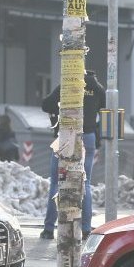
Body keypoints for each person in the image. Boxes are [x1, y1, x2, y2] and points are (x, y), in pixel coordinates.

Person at [39, 70, 105, 240]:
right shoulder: (97, 88)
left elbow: (46, 104)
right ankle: (85, 228)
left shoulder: (68, 85)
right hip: (88, 136)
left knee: (57, 181)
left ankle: (48, 229)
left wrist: (60, 106)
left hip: (67, 135)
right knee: (86, 182)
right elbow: (105, 112)